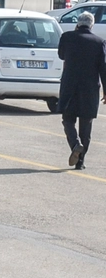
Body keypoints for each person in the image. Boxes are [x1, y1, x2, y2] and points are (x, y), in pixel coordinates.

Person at [57, 10, 106, 170]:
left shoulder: (67, 37)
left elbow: (61, 55)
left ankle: (75, 145)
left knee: (68, 120)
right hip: (90, 89)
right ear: (92, 25)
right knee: (86, 126)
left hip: (70, 87)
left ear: (77, 24)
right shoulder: (99, 42)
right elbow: (103, 69)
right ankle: (80, 162)